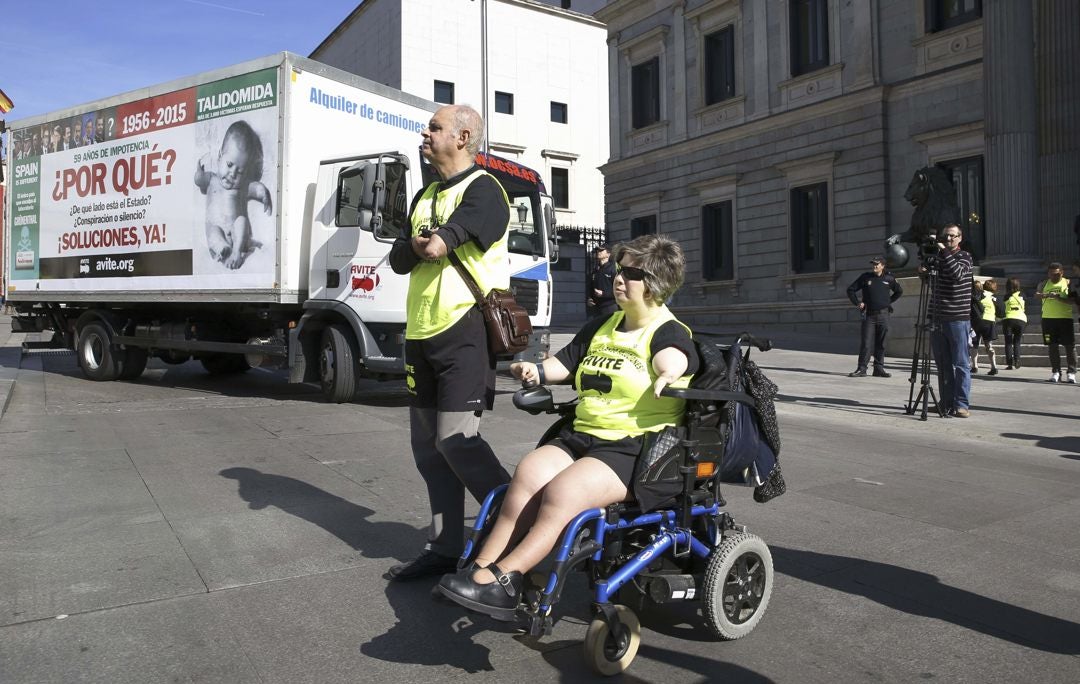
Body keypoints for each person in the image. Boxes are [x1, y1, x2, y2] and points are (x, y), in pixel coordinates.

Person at [438, 234, 699, 619]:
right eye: (618, 269)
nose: (618, 278)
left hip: (632, 447)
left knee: (562, 493)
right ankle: (479, 571)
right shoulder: (604, 325)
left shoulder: (666, 330)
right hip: (582, 435)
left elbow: (676, 358)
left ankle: (507, 578)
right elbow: (567, 363)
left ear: (657, 283)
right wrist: (537, 371)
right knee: (526, 477)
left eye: (632, 272)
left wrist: (668, 375)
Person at [385, 104, 513, 581]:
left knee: (456, 442)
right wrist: (420, 244)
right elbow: (400, 258)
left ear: (462, 138)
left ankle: (516, 523)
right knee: (427, 449)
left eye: (434, 127)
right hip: (420, 332)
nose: (425, 132)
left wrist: (424, 243)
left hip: (464, 330)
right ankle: (444, 547)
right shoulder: (425, 194)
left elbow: (438, 245)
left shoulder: (485, 191)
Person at [194, 120, 271, 270]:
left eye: (239, 171)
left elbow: (256, 188)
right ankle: (222, 248)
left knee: (241, 221)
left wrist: (264, 194)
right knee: (213, 232)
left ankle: (236, 252)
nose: (232, 174)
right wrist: (199, 172)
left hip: (236, 234)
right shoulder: (212, 179)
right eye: (229, 165)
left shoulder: (241, 187)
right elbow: (199, 180)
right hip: (217, 229)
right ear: (219, 157)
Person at [928, 224, 973, 418]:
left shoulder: (965, 257)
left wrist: (944, 252)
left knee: (961, 364)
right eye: (945, 236)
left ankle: (961, 404)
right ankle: (946, 402)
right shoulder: (939, 258)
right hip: (937, 317)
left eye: (952, 236)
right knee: (942, 364)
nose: (948, 240)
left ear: (960, 238)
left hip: (957, 319)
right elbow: (932, 284)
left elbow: (957, 275)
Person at [845, 256, 902, 378]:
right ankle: (862, 369)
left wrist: (888, 302)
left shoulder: (889, 278)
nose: (875, 266)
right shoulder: (866, 277)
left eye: (877, 264)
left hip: (884, 315)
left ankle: (878, 368)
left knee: (881, 343)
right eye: (873, 264)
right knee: (866, 343)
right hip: (869, 315)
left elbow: (899, 291)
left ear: (883, 265)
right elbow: (850, 290)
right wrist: (857, 303)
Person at [1035, 262, 1075, 383]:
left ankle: (1071, 372)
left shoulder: (1068, 283)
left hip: (1065, 319)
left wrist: (1058, 298)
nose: (1054, 277)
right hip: (1048, 319)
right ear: (1048, 273)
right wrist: (1044, 295)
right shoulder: (1044, 283)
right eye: (1051, 274)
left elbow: (1072, 300)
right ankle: (1056, 371)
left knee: (1069, 347)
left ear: (1062, 272)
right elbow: (1036, 295)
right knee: (1052, 347)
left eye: (1057, 274)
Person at [970, 278, 999, 376]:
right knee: (989, 345)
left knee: (975, 345)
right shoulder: (992, 296)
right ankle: (994, 366)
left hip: (977, 321)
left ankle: (974, 366)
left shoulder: (976, 295)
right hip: (990, 321)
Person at [1001, 278, 1027, 370]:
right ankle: (1017, 361)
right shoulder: (1023, 295)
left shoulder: (1006, 296)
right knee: (1017, 341)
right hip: (1021, 319)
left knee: (1008, 342)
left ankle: (1009, 364)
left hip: (1008, 319)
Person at [589, 243, 617, 320]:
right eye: (597, 250)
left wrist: (604, 294)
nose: (598, 252)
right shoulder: (595, 270)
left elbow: (618, 289)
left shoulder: (613, 269)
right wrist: (590, 298)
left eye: (601, 250)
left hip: (610, 307)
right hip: (597, 308)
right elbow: (591, 287)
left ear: (608, 254)